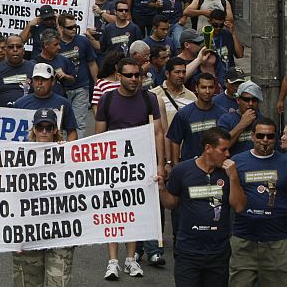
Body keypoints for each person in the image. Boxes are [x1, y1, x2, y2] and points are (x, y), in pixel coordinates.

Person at [95, 57, 166, 279]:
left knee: (133, 213)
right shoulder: (107, 100)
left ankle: (131, 260)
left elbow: (157, 133)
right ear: (118, 76)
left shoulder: (149, 99)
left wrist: (161, 164)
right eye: (129, 75)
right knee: (114, 213)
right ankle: (113, 261)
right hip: (113, 168)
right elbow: (99, 137)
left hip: (140, 167)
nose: (134, 79)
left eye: (138, 75)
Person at [158, 127, 246, 287]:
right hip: (188, 252)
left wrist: (233, 177)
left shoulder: (228, 173)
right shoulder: (182, 170)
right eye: (223, 150)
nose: (228, 154)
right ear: (208, 148)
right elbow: (171, 204)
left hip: (218, 253)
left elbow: (239, 207)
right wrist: (162, 189)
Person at [12, 108, 75, 286]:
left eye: (49, 127)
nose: (45, 132)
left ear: (56, 129)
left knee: (59, 282)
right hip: (29, 232)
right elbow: (10, 196)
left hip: (61, 233)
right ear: (34, 129)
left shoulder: (69, 155)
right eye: (40, 127)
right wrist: (15, 236)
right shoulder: (20, 157)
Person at [228, 117, 287, 287]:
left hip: (277, 243)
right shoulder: (236, 162)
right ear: (252, 136)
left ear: (275, 137)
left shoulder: (285, 162)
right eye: (260, 136)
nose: (265, 140)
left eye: (270, 136)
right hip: (244, 241)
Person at [12, 63, 78, 141]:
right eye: (36, 79)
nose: (39, 83)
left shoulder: (63, 103)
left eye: (44, 79)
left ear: (53, 81)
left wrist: (66, 148)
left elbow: (72, 132)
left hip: (54, 151)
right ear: (32, 81)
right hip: (27, 151)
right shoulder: (20, 104)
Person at [0, 34, 35, 107]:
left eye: (18, 46)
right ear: (6, 50)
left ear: (23, 51)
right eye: (11, 47)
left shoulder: (34, 68)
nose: (15, 49)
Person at [217, 80, 263, 157]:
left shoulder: (262, 121)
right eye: (246, 100)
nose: (250, 104)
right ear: (238, 100)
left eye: (254, 100)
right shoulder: (226, 119)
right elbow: (221, 146)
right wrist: (242, 124)